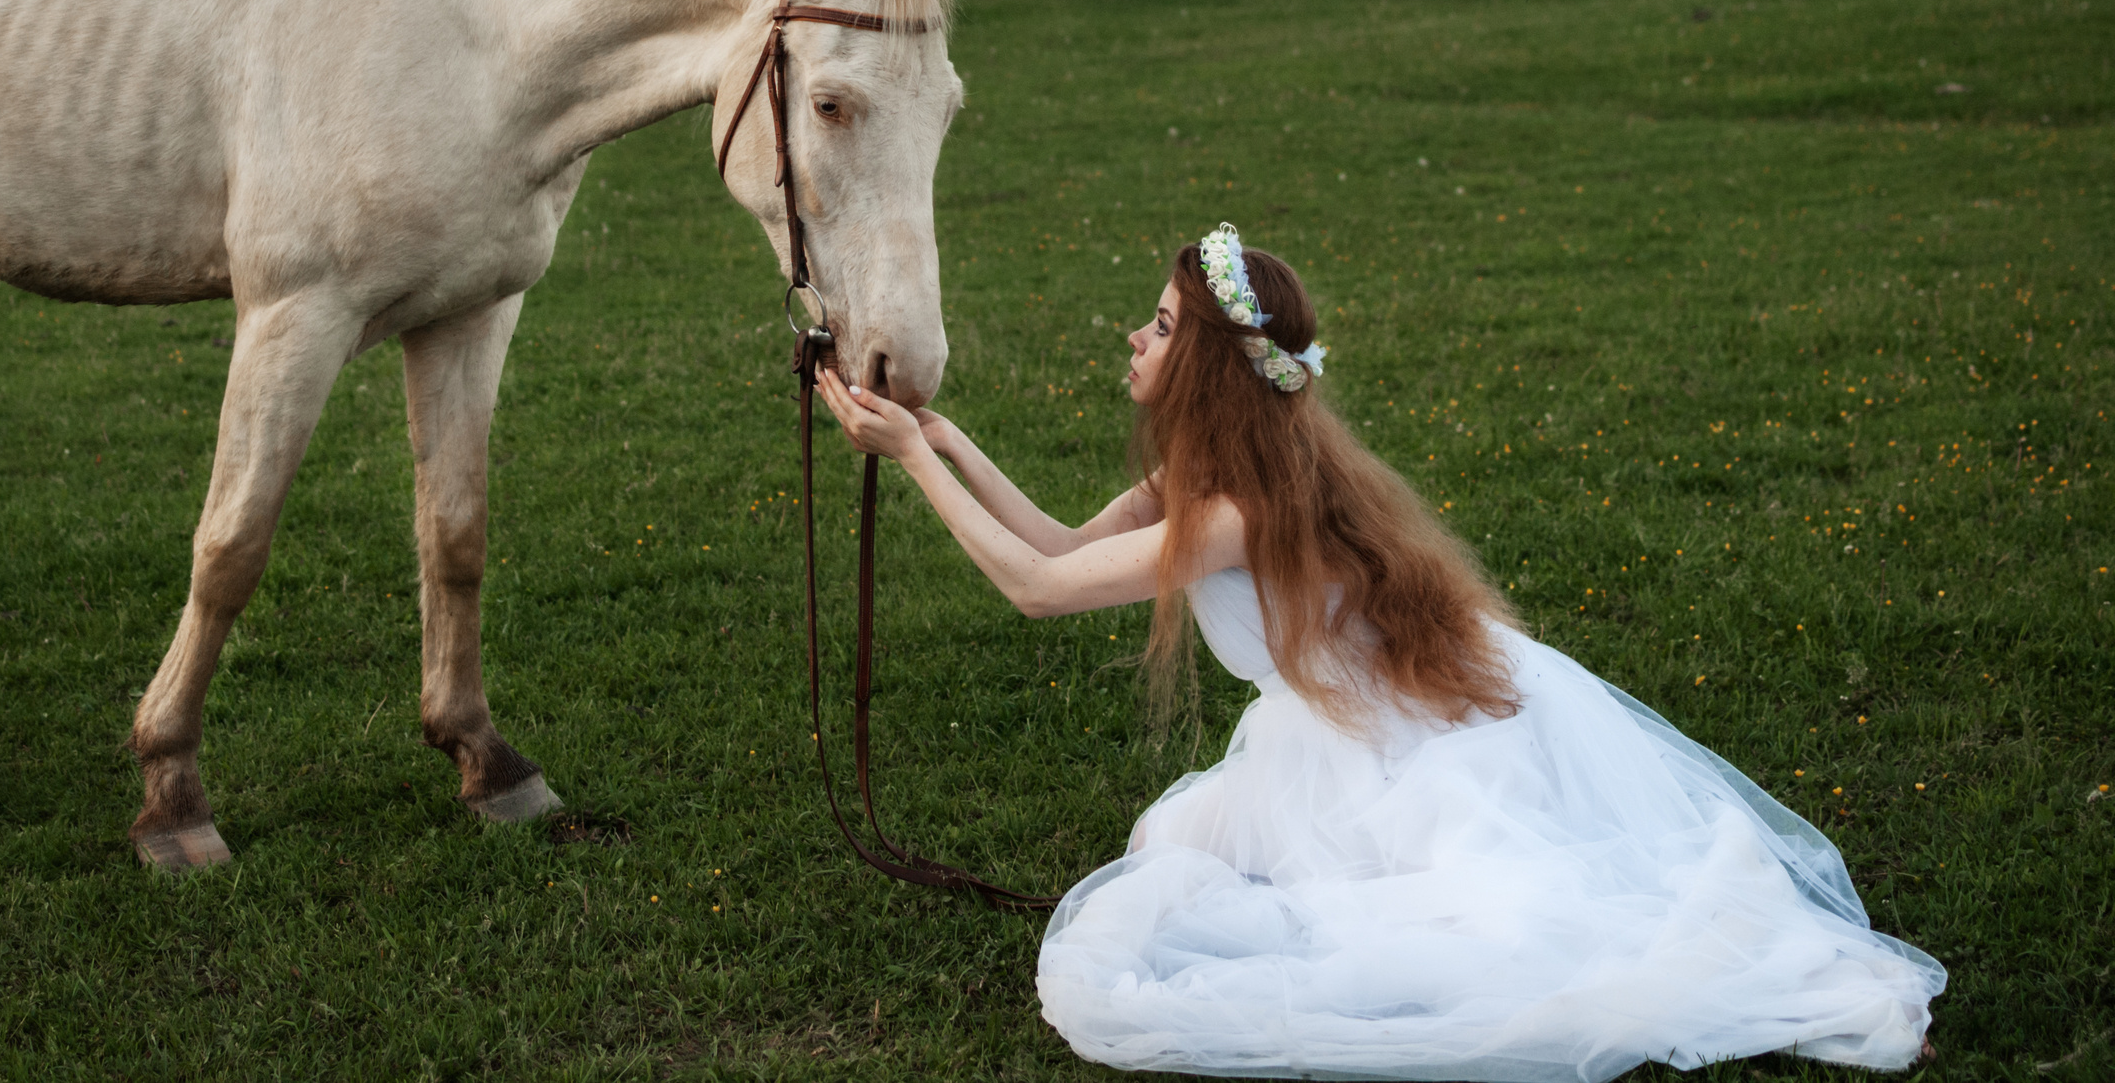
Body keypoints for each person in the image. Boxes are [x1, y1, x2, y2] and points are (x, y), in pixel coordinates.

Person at [813, 224, 1943, 1081]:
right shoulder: (1199, 476)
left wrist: (909, 458)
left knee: (1455, 933)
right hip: (1334, 728)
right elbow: (1059, 545)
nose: (1133, 333)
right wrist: (944, 436)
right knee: (1180, 849)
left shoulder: (1239, 505)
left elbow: (1036, 591)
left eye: (1157, 323)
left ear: (1202, 363)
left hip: (1391, 751)